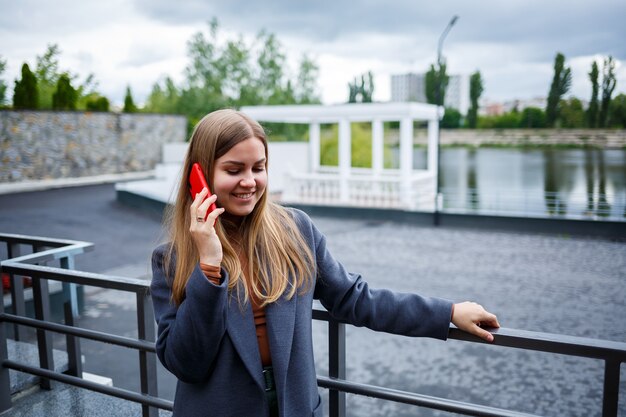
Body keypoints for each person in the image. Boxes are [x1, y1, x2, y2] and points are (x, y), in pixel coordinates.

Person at [150, 109, 500, 417]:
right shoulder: (173, 259)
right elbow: (186, 363)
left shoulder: (295, 231)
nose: (249, 181)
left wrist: (447, 312)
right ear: (199, 174)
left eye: (259, 168)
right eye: (233, 169)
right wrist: (209, 267)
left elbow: (355, 298)